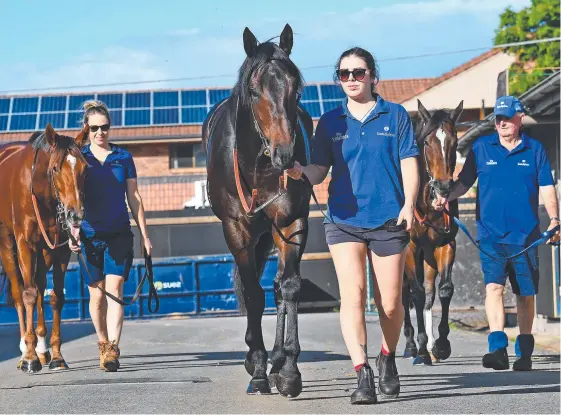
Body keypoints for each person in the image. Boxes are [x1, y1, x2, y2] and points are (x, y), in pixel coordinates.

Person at [286, 47, 419, 404]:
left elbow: (409, 162)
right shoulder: (330, 122)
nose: (351, 79)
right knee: (353, 297)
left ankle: (387, 356)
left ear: (374, 76)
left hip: (389, 219)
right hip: (343, 221)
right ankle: (362, 373)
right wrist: (302, 172)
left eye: (358, 72)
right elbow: (319, 169)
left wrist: (409, 204)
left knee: (390, 304)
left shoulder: (396, 116)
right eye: (343, 74)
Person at [433, 96, 560, 371]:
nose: (501, 122)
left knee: (525, 295)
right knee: (494, 288)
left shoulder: (534, 150)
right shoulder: (481, 148)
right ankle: (498, 349)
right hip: (490, 236)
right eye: (497, 118)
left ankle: (524, 353)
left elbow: (547, 188)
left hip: (526, 237)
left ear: (520, 119)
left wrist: (554, 220)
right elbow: (463, 184)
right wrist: (445, 197)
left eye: (506, 117)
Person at [69, 100, 152, 372]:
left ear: (110, 128)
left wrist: (145, 234)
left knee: (115, 290)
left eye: (104, 127)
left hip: (118, 234)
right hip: (89, 236)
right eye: (94, 128)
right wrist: (73, 231)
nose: (100, 133)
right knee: (97, 296)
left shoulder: (123, 158)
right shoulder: (79, 158)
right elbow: (72, 198)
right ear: (87, 128)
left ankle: (113, 349)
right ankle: (103, 344)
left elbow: (134, 197)